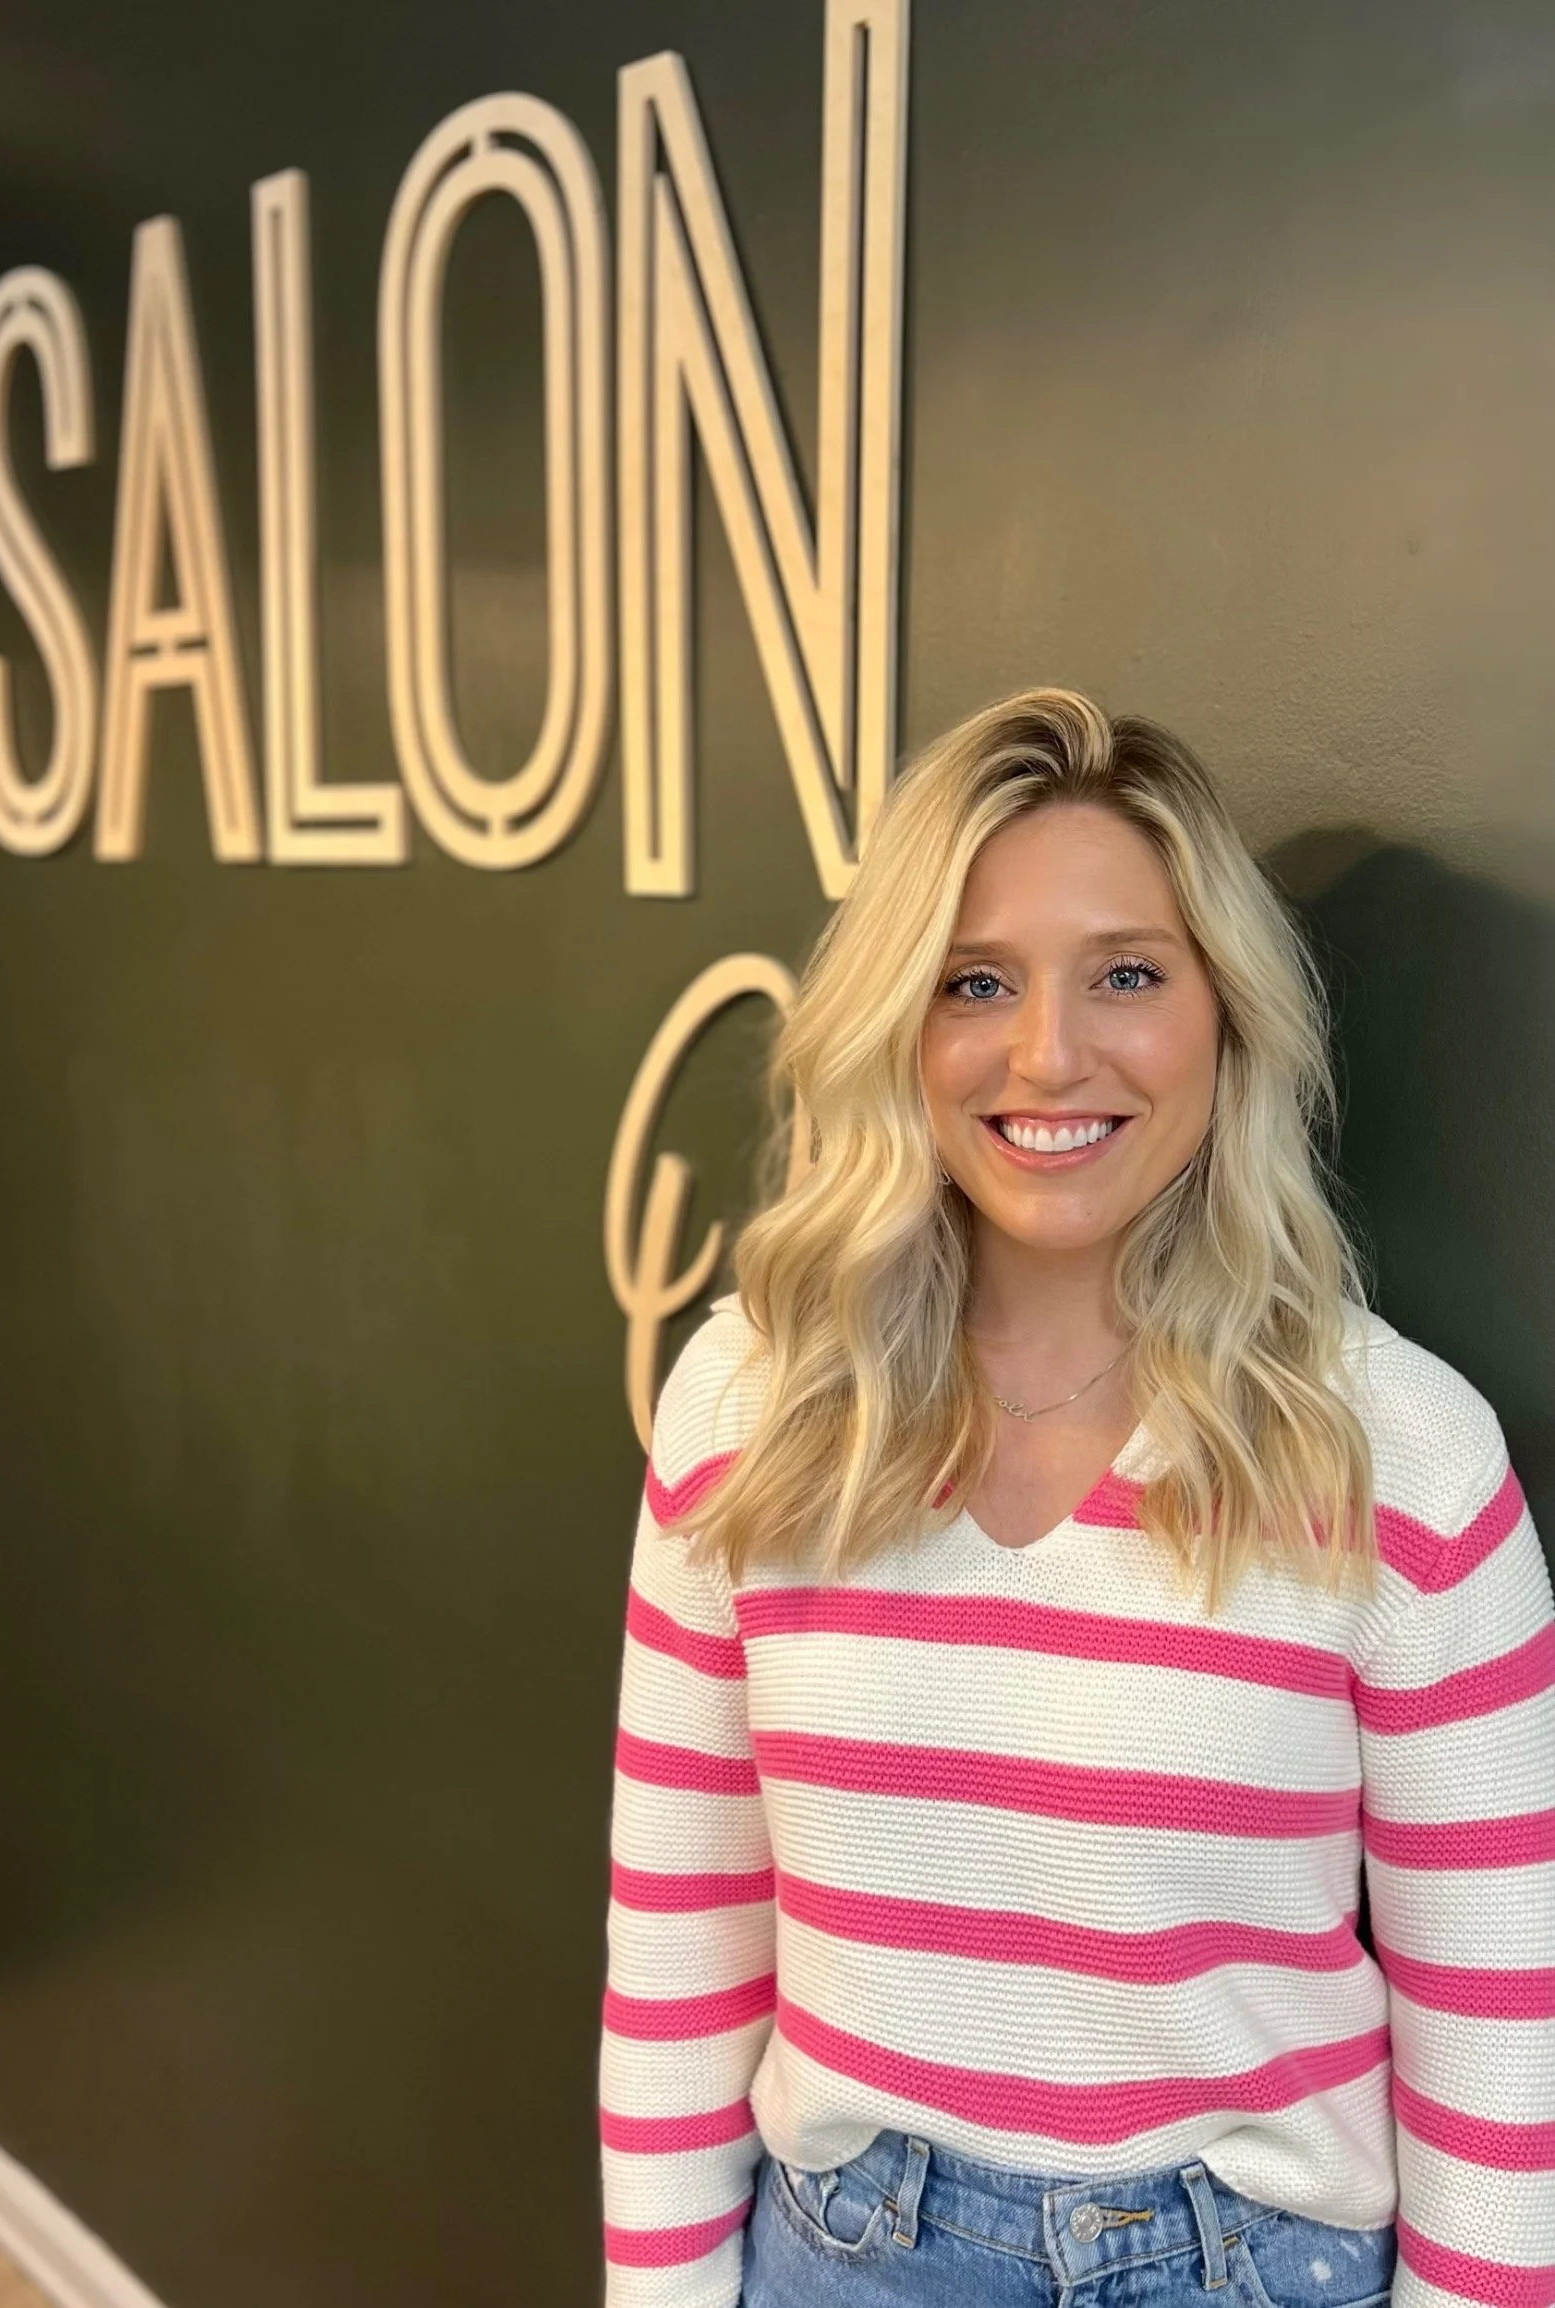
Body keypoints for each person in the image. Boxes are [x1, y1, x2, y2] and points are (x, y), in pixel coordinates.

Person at [598, 689, 1554, 2308]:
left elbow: (1498, 2034)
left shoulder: (1401, 1458)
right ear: (895, 1023)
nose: (1048, 1054)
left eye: (1126, 972)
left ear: (1221, 1016)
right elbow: (684, 1942)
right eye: (974, 982)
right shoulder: (751, 1408)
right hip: (838, 2260)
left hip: (1251, 2271)